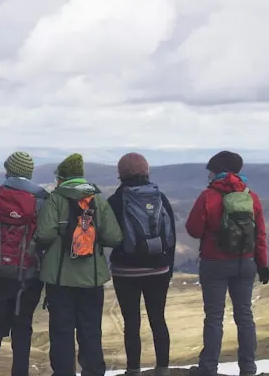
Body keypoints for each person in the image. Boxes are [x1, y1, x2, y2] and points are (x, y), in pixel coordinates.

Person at [35, 153, 123, 376]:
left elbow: (43, 235)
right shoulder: (98, 201)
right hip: (92, 280)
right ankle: (93, 371)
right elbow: (114, 238)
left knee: (62, 331)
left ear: (61, 178)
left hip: (59, 279)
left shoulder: (55, 200)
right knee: (90, 331)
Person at [185, 151, 269, 376]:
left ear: (217, 170)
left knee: (214, 317)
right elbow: (260, 233)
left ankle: (208, 369)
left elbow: (193, 229)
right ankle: (248, 368)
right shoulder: (251, 196)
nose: (209, 174)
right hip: (246, 262)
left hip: (215, 263)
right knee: (245, 316)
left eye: (211, 170)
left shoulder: (208, 195)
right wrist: (262, 264)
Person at [0, 151, 50, 376]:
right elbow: (45, 236)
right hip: (28, 275)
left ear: (8, 170)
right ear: (29, 172)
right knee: (22, 328)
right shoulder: (43, 198)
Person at [107, 152, 176, 376]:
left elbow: (108, 236)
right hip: (159, 269)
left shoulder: (116, 201)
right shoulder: (160, 197)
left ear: (121, 173)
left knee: (131, 321)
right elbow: (171, 236)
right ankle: (163, 369)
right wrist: (168, 268)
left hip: (126, 271)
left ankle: (133, 370)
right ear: (146, 171)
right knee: (158, 318)